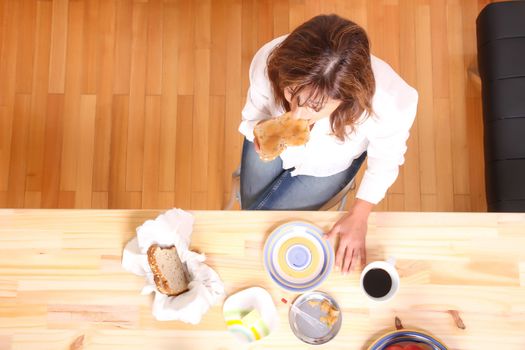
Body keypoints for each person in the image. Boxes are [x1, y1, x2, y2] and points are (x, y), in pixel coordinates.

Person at [238, 14, 418, 274]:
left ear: (346, 98)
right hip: (269, 144)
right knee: (250, 214)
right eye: (291, 93)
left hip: (328, 165)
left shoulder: (390, 100)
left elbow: (386, 159)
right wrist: (260, 131)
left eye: (315, 107)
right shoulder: (270, 60)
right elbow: (253, 114)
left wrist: (360, 215)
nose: (298, 113)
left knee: (257, 223)